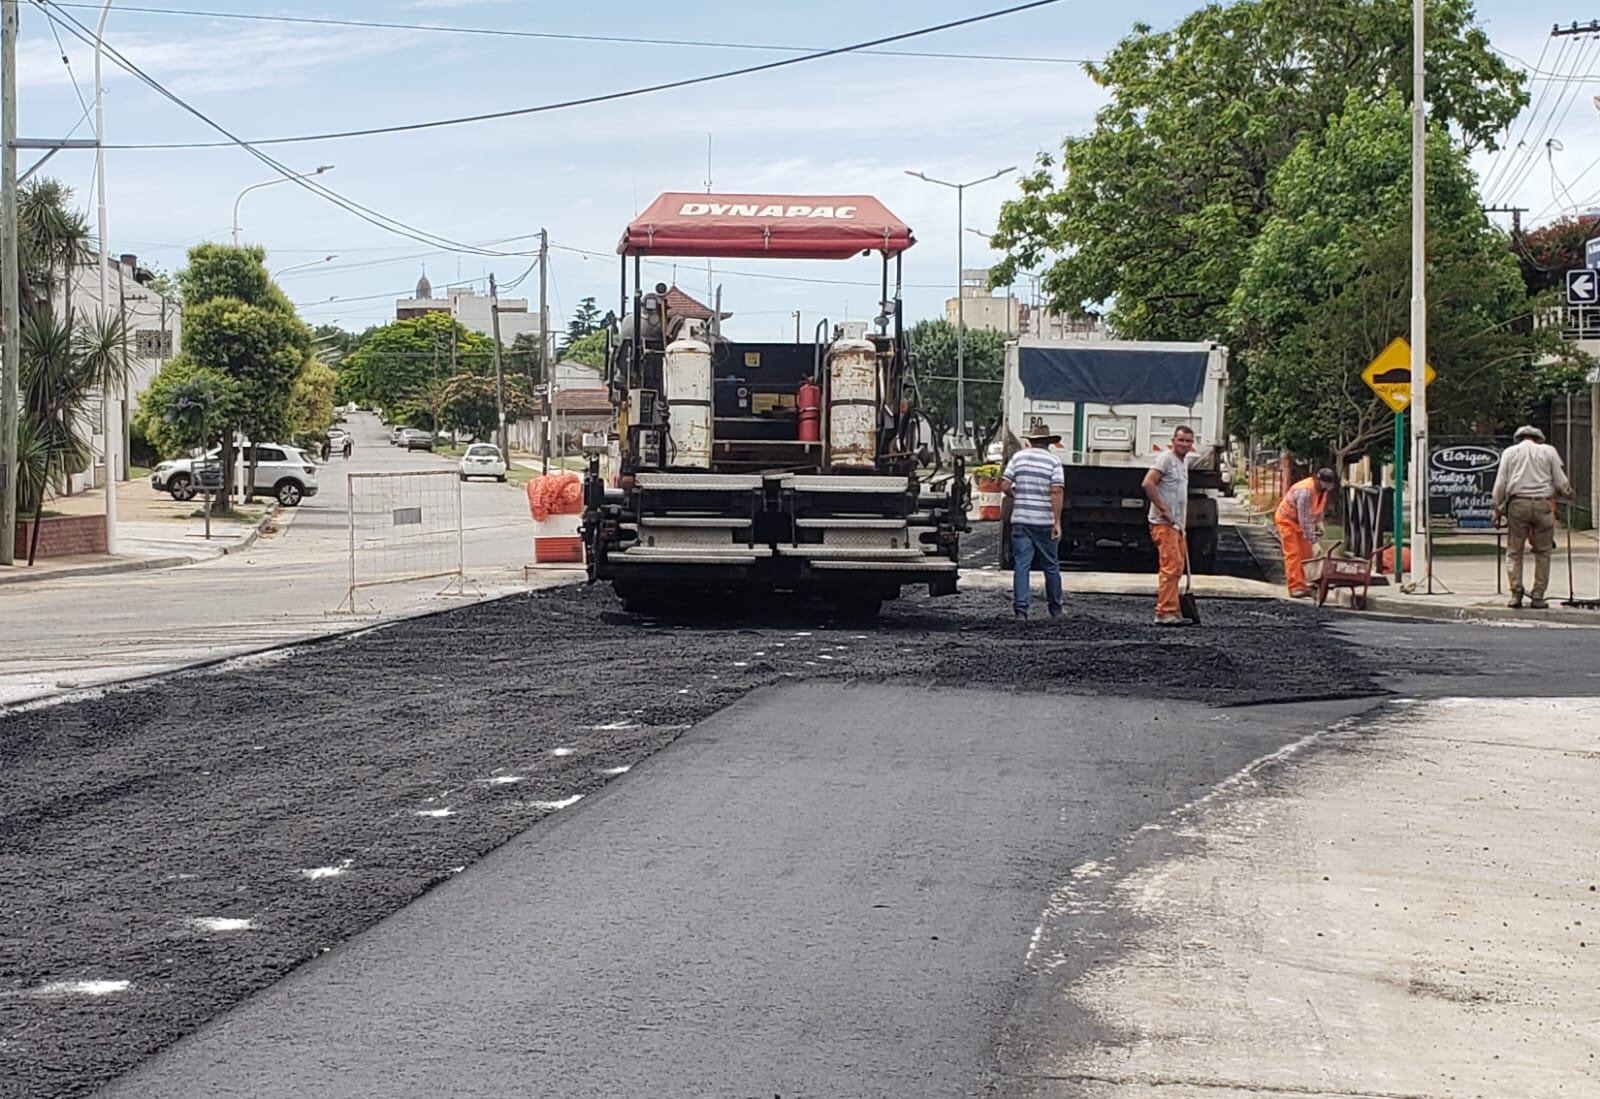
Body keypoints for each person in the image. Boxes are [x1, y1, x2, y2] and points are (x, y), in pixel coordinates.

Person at [1492, 425, 1573, 609]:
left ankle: (1516, 593)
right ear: (1538, 439)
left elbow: (1501, 483)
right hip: (1543, 504)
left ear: (1519, 438)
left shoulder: (1510, 453)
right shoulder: (1549, 451)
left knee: (1514, 551)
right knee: (1543, 552)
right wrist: (1568, 493)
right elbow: (1561, 482)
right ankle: (1538, 595)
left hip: (1518, 504)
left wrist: (1496, 508)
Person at [1001, 426, 1065, 619]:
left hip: (1021, 519)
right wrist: (1057, 522)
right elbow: (1057, 491)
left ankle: (1021, 609)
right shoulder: (1054, 461)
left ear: (1030, 441)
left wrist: (1017, 495)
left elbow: (1004, 484)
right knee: (1051, 565)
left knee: (1022, 564)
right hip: (1044, 521)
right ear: (1049, 442)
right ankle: (1056, 609)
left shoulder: (1018, 458)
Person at [1142, 425, 1195, 625]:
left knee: (1177, 567)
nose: (1184, 444)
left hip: (1177, 526)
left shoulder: (1183, 463)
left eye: (1188, 441)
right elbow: (1148, 483)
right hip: (1164, 523)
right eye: (1181, 440)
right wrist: (1164, 510)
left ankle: (1172, 609)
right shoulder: (1165, 459)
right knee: (1171, 568)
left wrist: (1181, 523)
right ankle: (1164, 612)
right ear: (1173, 441)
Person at [1275, 467, 1338, 598]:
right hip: (1287, 520)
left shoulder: (1322, 490)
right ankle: (1295, 587)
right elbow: (1303, 520)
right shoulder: (1305, 492)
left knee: (1306, 554)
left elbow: (1319, 508)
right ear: (1320, 481)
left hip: (1300, 522)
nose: (1329, 487)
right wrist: (1314, 542)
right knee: (1293, 554)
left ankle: (1304, 584)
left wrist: (1319, 522)